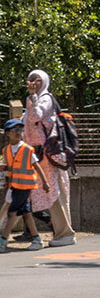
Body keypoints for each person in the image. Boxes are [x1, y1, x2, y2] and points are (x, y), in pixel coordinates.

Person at [22, 69, 75, 246]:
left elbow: (36, 116)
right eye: (31, 79)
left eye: (37, 80)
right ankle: (62, 233)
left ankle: (65, 234)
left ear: (44, 81)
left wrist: (33, 97)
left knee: (54, 194)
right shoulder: (32, 99)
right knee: (51, 193)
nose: (33, 83)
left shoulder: (44, 99)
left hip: (47, 155)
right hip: (40, 155)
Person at [2, 119, 45, 249]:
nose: (18, 132)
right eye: (15, 130)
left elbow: (37, 166)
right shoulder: (6, 150)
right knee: (26, 214)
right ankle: (37, 240)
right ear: (7, 133)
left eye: (20, 130)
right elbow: (10, 167)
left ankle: (2, 240)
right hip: (15, 186)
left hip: (25, 187)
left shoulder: (27, 149)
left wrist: (46, 182)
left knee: (12, 213)